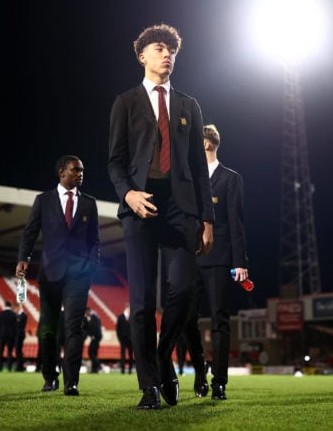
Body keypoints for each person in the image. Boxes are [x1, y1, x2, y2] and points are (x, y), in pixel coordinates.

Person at [108, 23, 215, 410]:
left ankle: (160, 356)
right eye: (159, 47)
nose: (167, 54)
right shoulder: (125, 102)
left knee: (183, 293)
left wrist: (207, 219)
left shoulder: (189, 104)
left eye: (172, 49)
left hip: (180, 207)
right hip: (139, 206)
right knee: (141, 302)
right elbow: (115, 163)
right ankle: (150, 386)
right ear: (143, 56)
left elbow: (199, 170)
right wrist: (129, 193)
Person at [16, 155, 100, 396]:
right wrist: (24, 257)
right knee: (49, 328)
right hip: (50, 272)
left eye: (82, 170)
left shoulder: (89, 203)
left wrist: (92, 265)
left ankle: (71, 382)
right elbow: (30, 232)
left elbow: (94, 240)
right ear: (62, 171)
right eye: (76, 169)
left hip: (79, 275)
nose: (81, 173)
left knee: (74, 328)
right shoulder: (43, 201)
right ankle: (49, 377)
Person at [180, 124, 249, 401]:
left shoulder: (231, 179)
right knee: (186, 320)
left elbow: (237, 224)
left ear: (207, 144)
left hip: (219, 260)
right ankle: (199, 375)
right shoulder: (186, 178)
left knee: (220, 320)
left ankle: (219, 381)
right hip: (187, 259)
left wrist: (240, 262)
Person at [0, 300, 17, 372]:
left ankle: (0, 367)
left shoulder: (0, 314)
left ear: (5, 305)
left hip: (2, 335)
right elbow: (15, 327)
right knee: (10, 352)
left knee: (0, 352)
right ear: (10, 306)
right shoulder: (13, 314)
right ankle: (9, 368)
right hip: (10, 335)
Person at [83, 307, 103, 373]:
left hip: (95, 337)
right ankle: (94, 369)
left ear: (88, 311)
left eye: (86, 312)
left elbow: (95, 328)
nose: (86, 314)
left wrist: (92, 335)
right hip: (96, 337)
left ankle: (98, 365)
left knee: (90, 352)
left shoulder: (94, 317)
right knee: (94, 353)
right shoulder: (94, 317)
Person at [116, 303, 133, 374]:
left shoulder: (132, 317)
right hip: (123, 339)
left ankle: (130, 370)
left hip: (130, 340)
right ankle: (122, 370)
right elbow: (118, 329)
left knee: (130, 355)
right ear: (126, 308)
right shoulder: (120, 317)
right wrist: (120, 338)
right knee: (122, 354)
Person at [14, 302, 27, 372]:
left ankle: (20, 366)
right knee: (18, 351)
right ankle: (20, 366)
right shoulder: (19, 315)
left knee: (18, 350)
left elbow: (20, 325)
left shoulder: (23, 315)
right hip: (18, 335)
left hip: (20, 335)